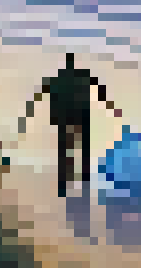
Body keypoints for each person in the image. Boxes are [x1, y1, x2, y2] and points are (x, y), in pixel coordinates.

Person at [19, 54, 124, 196]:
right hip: (80, 116)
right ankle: (83, 181)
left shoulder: (58, 78)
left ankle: (63, 184)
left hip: (64, 117)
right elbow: (100, 90)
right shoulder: (82, 76)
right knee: (83, 150)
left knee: (64, 151)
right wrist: (112, 107)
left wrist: (29, 110)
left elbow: (41, 92)